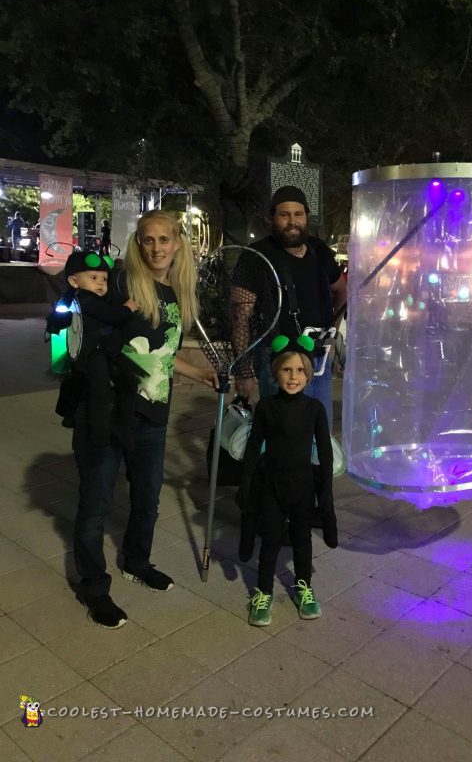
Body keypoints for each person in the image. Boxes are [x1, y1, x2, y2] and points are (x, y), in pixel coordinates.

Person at [71, 209, 219, 630]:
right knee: (95, 505)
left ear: (177, 244)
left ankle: (137, 562)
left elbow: (160, 353)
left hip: (153, 412)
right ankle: (94, 589)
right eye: (148, 240)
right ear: (139, 243)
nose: (156, 248)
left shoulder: (177, 292)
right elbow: (92, 339)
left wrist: (198, 373)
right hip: (107, 413)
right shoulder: (120, 285)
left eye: (164, 240)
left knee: (147, 500)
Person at [238, 335, 338, 627]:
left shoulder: (315, 409)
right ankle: (264, 591)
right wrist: (246, 484)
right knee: (270, 540)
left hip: (303, 485)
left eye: (300, 371)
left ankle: (304, 586)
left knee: (302, 539)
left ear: (308, 375)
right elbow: (255, 447)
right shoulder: (267, 407)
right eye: (286, 370)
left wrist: (326, 493)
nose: (293, 377)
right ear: (275, 372)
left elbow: (325, 452)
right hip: (272, 485)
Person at [234, 186, 346, 428]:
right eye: (284, 215)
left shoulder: (319, 250)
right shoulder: (256, 256)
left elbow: (341, 291)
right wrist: (243, 372)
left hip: (318, 358)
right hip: (277, 359)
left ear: (306, 217)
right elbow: (240, 315)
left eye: (298, 214)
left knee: (319, 432)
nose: (292, 221)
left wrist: (331, 331)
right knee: (282, 435)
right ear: (273, 218)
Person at [50, 251, 139, 447]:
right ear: (74, 281)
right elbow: (110, 316)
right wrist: (128, 308)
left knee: (106, 386)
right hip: (93, 353)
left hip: (95, 350)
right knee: (100, 392)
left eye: (104, 279)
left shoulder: (79, 299)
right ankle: (100, 435)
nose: (100, 283)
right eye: (93, 278)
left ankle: (76, 416)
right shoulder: (86, 299)